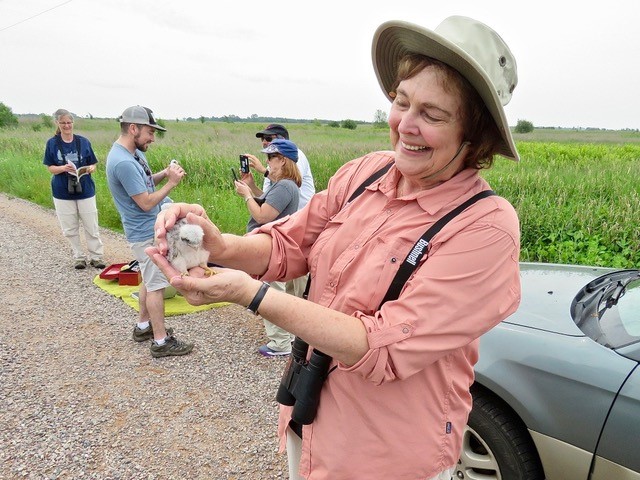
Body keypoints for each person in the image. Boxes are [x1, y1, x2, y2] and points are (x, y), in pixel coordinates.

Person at [148, 15, 521, 479]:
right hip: (310, 423)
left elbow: (381, 347)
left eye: (432, 114)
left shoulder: (486, 227)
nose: (405, 125)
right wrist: (215, 244)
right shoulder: (367, 172)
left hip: (386, 458)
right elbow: (289, 246)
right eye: (401, 102)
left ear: (474, 135)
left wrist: (251, 294)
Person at [106, 105, 193, 358]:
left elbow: (142, 183)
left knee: (148, 278)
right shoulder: (122, 161)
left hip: (148, 227)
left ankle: (143, 326)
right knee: (156, 286)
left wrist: (164, 174)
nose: (152, 138)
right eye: (149, 132)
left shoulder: (132, 153)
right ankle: (160, 341)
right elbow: (144, 202)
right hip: (145, 231)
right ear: (133, 128)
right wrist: (172, 183)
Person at [241, 124, 316, 356]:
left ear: (282, 160)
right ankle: (289, 336)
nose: (269, 162)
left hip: (274, 243)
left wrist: (245, 196)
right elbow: (265, 200)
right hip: (280, 242)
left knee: (271, 292)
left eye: (272, 157)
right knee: (280, 289)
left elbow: (263, 214)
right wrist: (249, 185)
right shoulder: (282, 184)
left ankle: (280, 343)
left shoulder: (284, 185)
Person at [43, 109, 105, 270]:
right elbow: (50, 167)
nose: (66, 126)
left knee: (91, 224)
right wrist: (63, 168)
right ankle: (79, 257)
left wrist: (90, 168)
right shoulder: (52, 143)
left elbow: (93, 163)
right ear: (57, 123)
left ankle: (96, 256)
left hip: (85, 188)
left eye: (69, 122)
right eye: (63, 123)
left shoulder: (83, 142)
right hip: (62, 190)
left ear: (73, 123)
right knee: (70, 227)